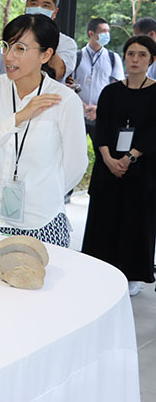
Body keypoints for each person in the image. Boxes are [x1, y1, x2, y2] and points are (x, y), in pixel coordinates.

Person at [0, 14, 88, 247]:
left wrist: (42, 195)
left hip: (40, 223)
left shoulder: (63, 100)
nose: (9, 56)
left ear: (46, 55)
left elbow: (76, 164)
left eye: (20, 48)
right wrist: (20, 117)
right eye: (6, 46)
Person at [81, 35, 156, 296]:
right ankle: (100, 268)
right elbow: (101, 128)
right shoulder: (111, 91)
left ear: (151, 60)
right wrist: (108, 158)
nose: (135, 59)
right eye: (131, 53)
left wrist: (130, 157)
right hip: (108, 166)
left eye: (142, 55)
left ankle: (132, 273)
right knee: (105, 218)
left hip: (141, 169)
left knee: (136, 219)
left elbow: (152, 132)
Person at [0, 0, 76, 82]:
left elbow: (59, 73)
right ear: (26, 8)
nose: (39, 9)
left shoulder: (67, 43)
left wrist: (45, 36)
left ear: (55, 12)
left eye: (45, 6)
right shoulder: (11, 39)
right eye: (34, 4)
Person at [70, 17, 123, 145]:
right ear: (91, 33)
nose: (107, 35)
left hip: (102, 115)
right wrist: (82, 106)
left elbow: (118, 89)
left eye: (108, 31)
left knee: (103, 152)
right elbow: (70, 84)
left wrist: (98, 109)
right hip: (78, 114)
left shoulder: (113, 58)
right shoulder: (77, 56)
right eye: (103, 31)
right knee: (75, 151)